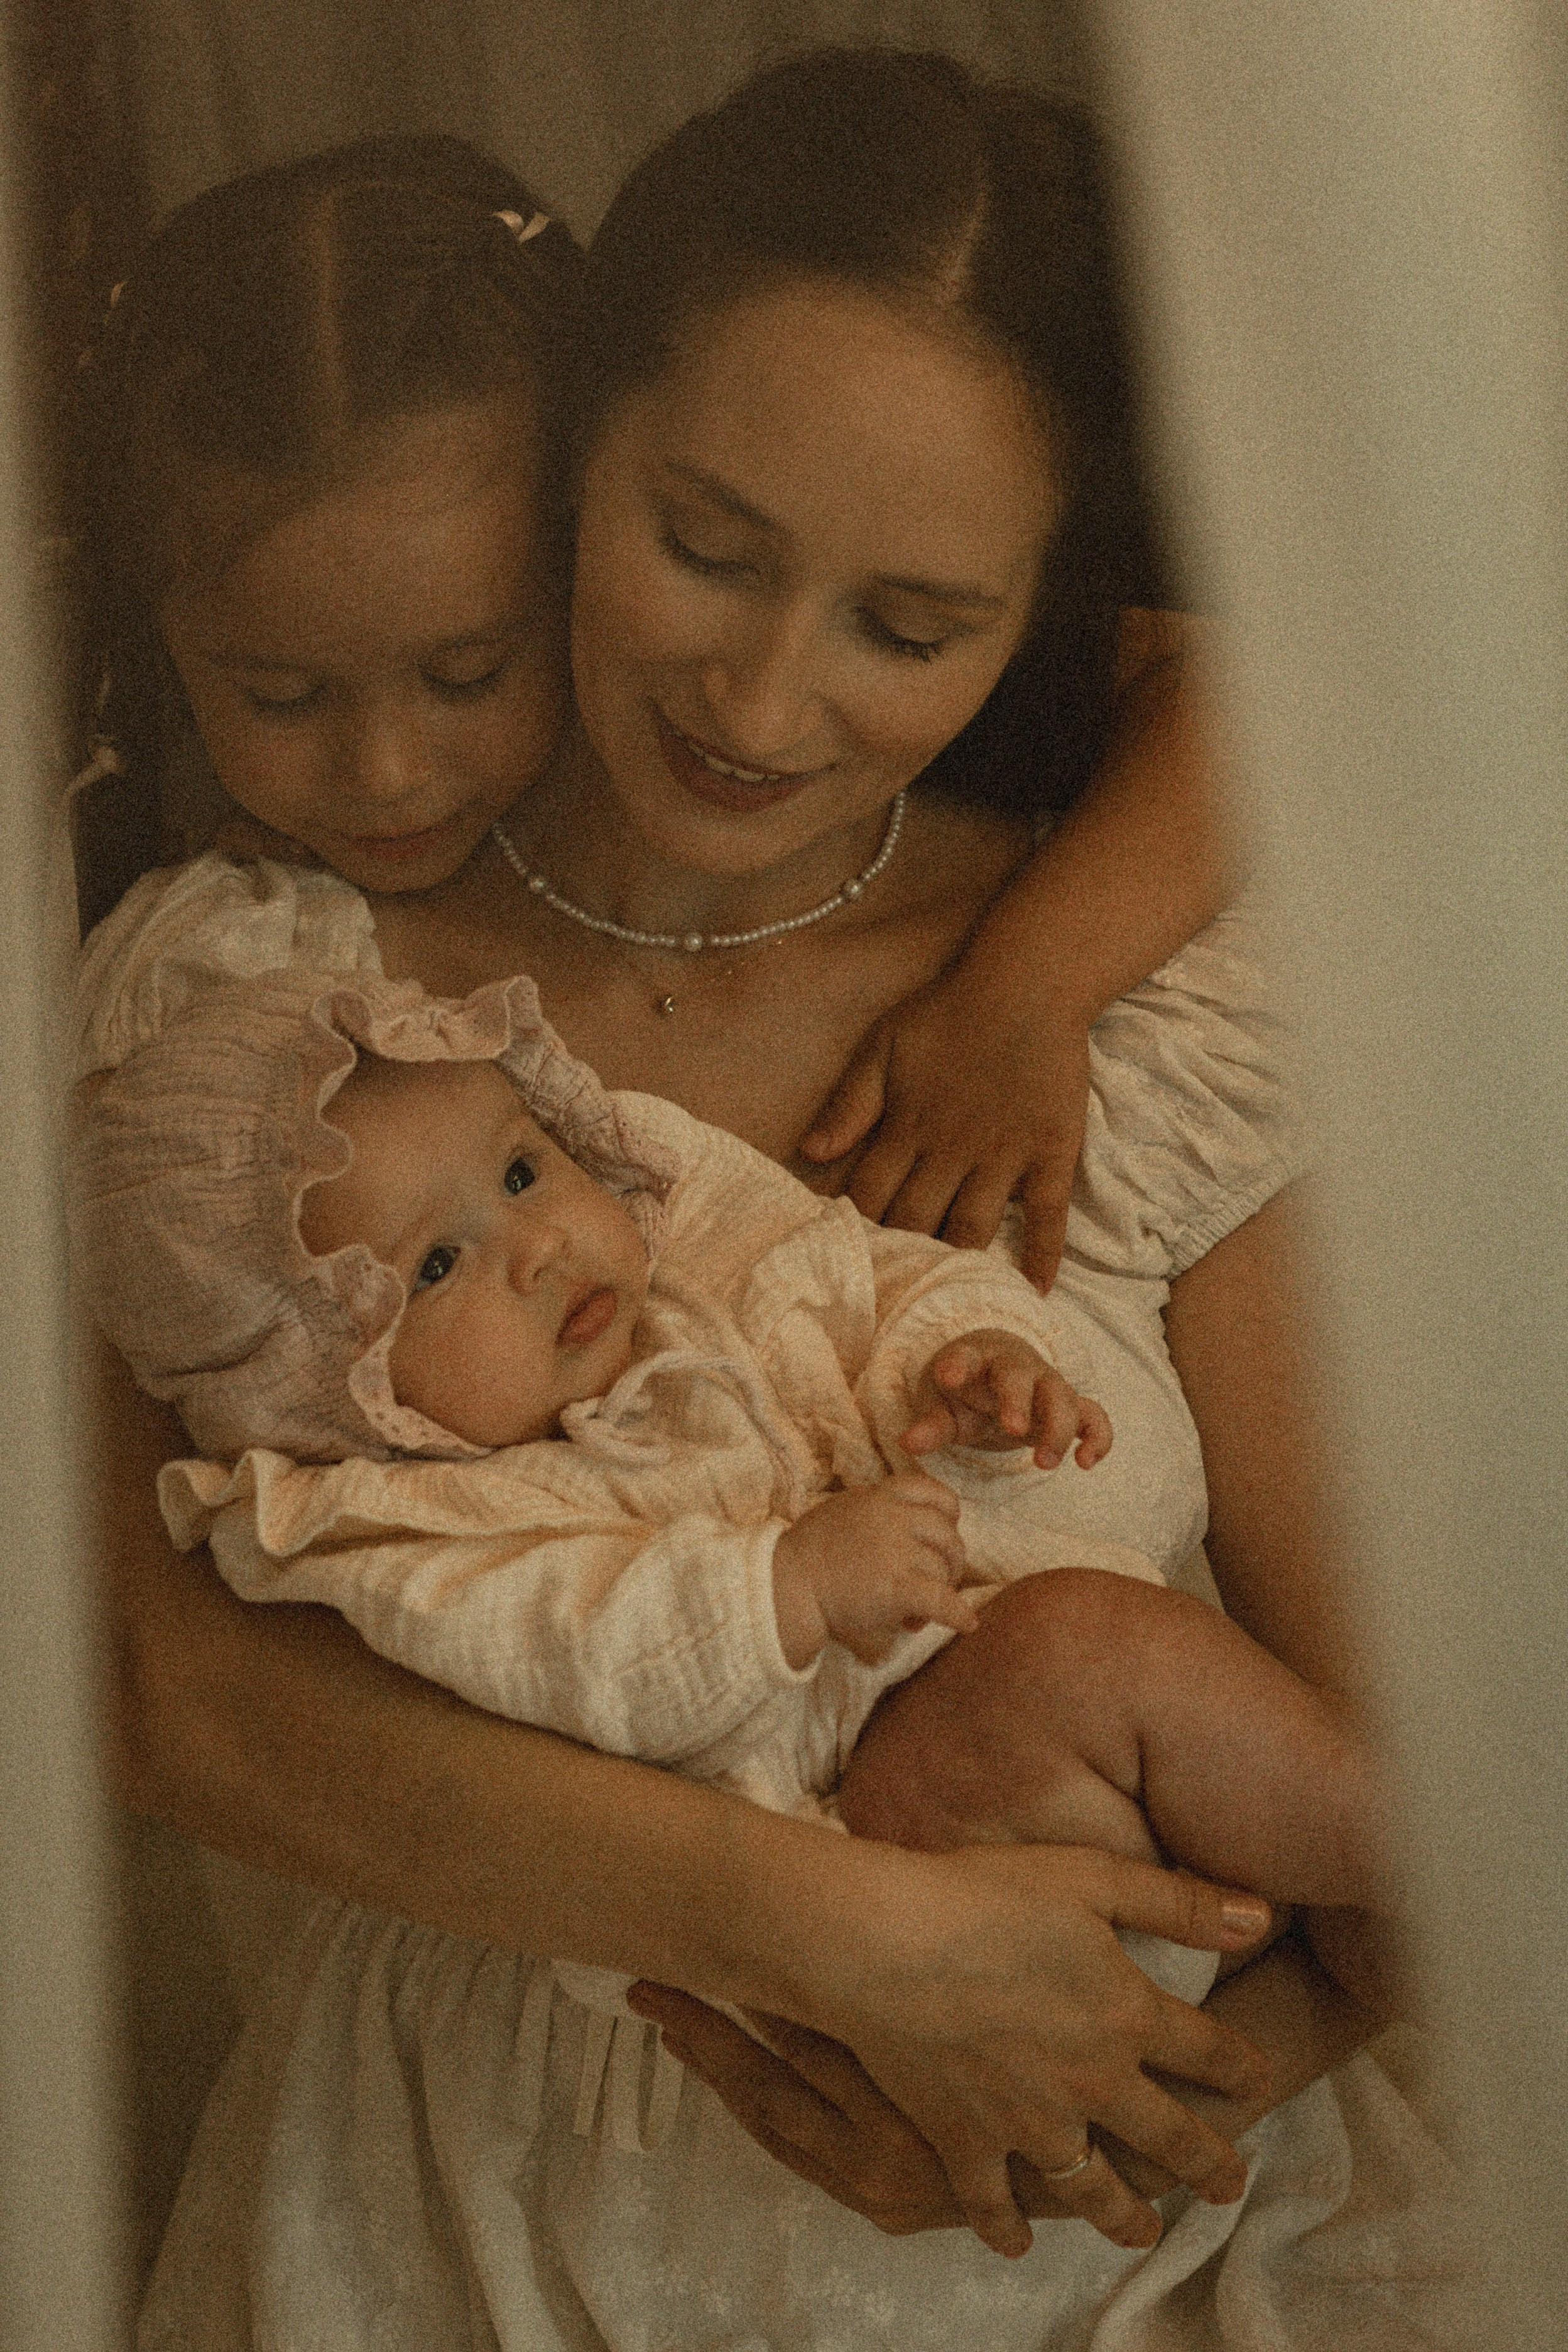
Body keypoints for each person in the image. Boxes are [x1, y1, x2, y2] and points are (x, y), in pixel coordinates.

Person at [74, 49, 1471, 2349]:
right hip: (462, 2235)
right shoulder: (265, 1015)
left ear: (1038, 618)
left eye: (904, 626)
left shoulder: (1140, 1022)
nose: (755, 689)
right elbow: (177, 1693)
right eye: (701, 543)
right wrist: (826, 1939)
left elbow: (1403, 1826)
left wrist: (1095, 2097)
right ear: (565, 451)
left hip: (1113, 2255)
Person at [72, 962, 1384, 2008]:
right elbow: (573, 1649)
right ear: (315, 1387)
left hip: (1027, 1777)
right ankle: (1439, 1853)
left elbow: (865, 1277)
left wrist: (971, 1360)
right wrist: (784, 1586)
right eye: (433, 1269)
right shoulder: (411, 1525)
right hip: (853, 1853)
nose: (534, 1248)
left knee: (1128, 1661)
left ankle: (1404, 1881)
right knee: (1093, 1650)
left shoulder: (699, 1273)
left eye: (524, 1171)